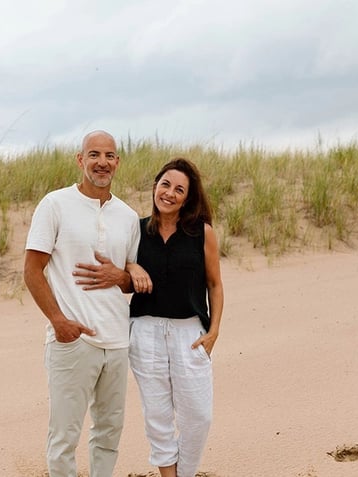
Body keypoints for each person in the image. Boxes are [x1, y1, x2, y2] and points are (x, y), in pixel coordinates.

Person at [23, 130, 140, 477]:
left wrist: (122, 277)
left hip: (118, 343)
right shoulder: (55, 204)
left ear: (117, 162)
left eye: (109, 156)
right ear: (80, 159)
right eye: (94, 155)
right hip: (74, 342)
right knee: (64, 437)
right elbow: (32, 269)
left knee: (108, 434)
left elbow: (132, 277)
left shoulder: (129, 217)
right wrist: (59, 321)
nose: (101, 162)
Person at [126, 158, 225, 477]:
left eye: (179, 189)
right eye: (165, 184)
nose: (169, 193)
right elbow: (119, 267)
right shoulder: (135, 230)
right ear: (155, 186)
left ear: (187, 197)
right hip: (145, 330)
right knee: (158, 417)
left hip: (190, 333)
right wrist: (131, 267)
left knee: (199, 417)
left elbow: (215, 283)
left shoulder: (202, 233)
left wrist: (214, 331)